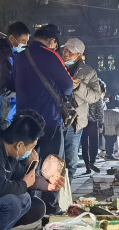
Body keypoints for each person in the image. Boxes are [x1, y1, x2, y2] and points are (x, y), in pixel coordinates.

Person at [11, 24, 73, 213]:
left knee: (27, 162)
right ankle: (51, 206)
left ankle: (26, 204)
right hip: (49, 119)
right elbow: (68, 85)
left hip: (23, 120)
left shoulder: (20, 57)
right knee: (52, 162)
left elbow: (12, 83)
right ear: (53, 41)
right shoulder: (51, 55)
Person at [61, 39, 103, 180]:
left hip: (74, 123)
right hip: (55, 120)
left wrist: (78, 87)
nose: (66, 53)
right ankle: (52, 197)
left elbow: (95, 96)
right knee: (54, 161)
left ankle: (65, 196)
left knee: (71, 163)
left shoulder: (89, 72)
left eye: (70, 51)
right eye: (65, 49)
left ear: (79, 54)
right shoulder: (56, 66)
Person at [81, 77, 106, 174]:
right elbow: (100, 113)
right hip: (92, 123)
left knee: (84, 145)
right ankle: (92, 162)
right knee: (94, 144)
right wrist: (101, 125)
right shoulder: (97, 97)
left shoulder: (83, 94)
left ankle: (87, 165)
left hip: (82, 122)